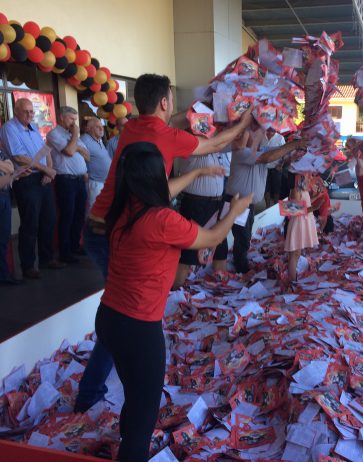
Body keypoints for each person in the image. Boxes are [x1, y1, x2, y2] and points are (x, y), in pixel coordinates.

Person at [75, 73, 252, 413]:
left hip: (105, 226)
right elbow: (215, 144)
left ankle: (97, 389)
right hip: (112, 230)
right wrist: (244, 120)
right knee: (126, 315)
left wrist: (204, 113)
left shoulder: (134, 128)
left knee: (119, 315)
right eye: (171, 98)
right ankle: (95, 394)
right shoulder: (163, 136)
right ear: (164, 102)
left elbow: (162, 178)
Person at [95, 141, 252, 462]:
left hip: (109, 317)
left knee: (135, 397)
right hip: (138, 328)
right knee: (144, 414)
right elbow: (213, 237)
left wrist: (197, 172)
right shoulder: (162, 219)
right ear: (156, 177)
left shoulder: (124, 209)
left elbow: (163, 199)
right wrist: (234, 212)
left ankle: (127, 443)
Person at [225, 128, 308, 274]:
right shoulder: (244, 152)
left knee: (246, 237)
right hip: (239, 202)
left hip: (254, 204)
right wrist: (295, 145)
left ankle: (242, 264)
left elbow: (278, 156)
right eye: (256, 134)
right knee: (243, 237)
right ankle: (242, 268)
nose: (260, 136)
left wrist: (294, 149)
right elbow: (269, 157)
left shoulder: (301, 175)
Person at [1, 98, 64, 279]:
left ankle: (46, 258)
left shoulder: (34, 127)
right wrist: (45, 169)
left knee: (48, 219)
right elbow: (19, 157)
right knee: (30, 223)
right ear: (16, 111)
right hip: (26, 179)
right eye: (26, 111)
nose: (30, 114)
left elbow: (46, 151)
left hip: (43, 177)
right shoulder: (10, 128)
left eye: (31, 111)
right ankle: (28, 266)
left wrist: (49, 170)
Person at [173, 153, 228, 288]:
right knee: (188, 253)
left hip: (216, 203)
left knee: (220, 248)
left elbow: (233, 145)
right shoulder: (196, 147)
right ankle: (175, 290)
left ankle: (223, 288)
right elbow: (216, 145)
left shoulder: (216, 149)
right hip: (196, 204)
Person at [47, 106, 90, 263]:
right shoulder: (54, 134)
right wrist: (75, 139)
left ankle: (74, 246)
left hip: (79, 180)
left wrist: (74, 143)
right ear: (61, 117)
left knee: (79, 215)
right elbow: (70, 152)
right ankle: (65, 253)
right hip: (65, 180)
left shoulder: (72, 135)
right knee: (67, 216)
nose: (74, 123)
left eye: (75, 119)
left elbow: (87, 155)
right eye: (71, 119)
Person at [285, 173, 319, 282]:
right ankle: (291, 281)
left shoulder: (303, 190)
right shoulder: (296, 190)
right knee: (293, 254)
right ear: (300, 178)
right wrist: (314, 208)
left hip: (302, 223)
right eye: (308, 176)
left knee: (297, 253)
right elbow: (295, 210)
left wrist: (317, 197)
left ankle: (293, 278)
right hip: (297, 224)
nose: (310, 178)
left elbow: (306, 203)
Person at [0, 149, 21, 284]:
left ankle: (3, 274)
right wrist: (6, 168)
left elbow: (11, 168)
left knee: (3, 238)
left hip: (4, 195)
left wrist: (7, 169)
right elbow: (8, 169)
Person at [81, 117, 112, 209]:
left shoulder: (99, 140)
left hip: (103, 182)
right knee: (93, 209)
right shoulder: (84, 140)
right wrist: (84, 173)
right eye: (97, 127)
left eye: (102, 126)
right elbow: (79, 158)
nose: (101, 129)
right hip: (94, 183)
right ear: (89, 129)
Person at [261, 127, 286, 208]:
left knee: (276, 188)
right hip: (263, 167)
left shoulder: (280, 138)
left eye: (273, 130)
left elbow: (284, 153)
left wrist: (281, 165)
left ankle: (275, 206)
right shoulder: (261, 136)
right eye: (268, 130)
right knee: (265, 188)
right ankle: (267, 206)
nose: (270, 132)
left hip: (276, 167)